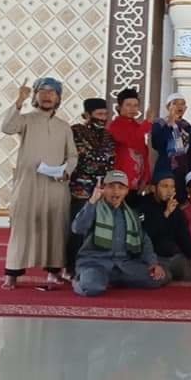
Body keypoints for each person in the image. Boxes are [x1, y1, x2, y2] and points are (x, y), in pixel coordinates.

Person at [0, 77, 78, 289]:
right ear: (35, 96)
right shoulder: (25, 120)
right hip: (29, 183)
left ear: (58, 98)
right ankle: (12, 274)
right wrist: (19, 100)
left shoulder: (63, 127)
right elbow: (7, 127)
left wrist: (66, 172)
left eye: (52, 92)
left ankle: (53, 272)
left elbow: (72, 155)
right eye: (42, 91)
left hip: (55, 184)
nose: (47, 96)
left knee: (55, 228)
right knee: (22, 228)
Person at [71, 170, 168, 296]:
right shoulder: (94, 207)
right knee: (92, 287)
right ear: (103, 188)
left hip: (123, 266)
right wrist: (92, 201)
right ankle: (80, 280)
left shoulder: (132, 215)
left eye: (121, 187)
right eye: (111, 187)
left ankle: (112, 280)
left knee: (160, 277)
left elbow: (144, 241)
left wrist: (153, 263)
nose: (116, 192)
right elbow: (77, 228)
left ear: (127, 191)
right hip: (96, 263)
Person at [67, 97, 115, 277]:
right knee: (78, 229)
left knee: (97, 229)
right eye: (99, 114)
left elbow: (110, 161)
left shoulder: (108, 135)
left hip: (102, 190)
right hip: (80, 189)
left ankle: (92, 266)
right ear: (87, 115)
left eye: (105, 114)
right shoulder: (76, 131)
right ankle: (71, 267)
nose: (103, 118)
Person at [138, 172, 191, 281]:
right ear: (154, 188)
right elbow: (147, 235)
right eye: (165, 186)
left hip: (174, 256)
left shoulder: (175, 207)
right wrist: (166, 214)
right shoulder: (145, 207)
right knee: (162, 277)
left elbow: (183, 233)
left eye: (172, 187)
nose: (169, 191)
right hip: (155, 257)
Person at [108, 88, 154, 202]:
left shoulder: (137, 126)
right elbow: (131, 139)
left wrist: (146, 179)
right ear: (119, 107)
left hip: (137, 184)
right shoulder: (115, 126)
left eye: (135, 105)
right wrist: (147, 122)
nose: (132, 109)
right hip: (120, 183)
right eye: (128, 105)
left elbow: (144, 154)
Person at [151, 93, 191, 201]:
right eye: (175, 103)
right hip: (164, 170)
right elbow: (156, 144)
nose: (179, 106)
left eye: (182, 104)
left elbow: (190, 152)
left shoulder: (188, 127)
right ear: (168, 107)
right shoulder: (159, 123)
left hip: (183, 171)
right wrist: (169, 125)